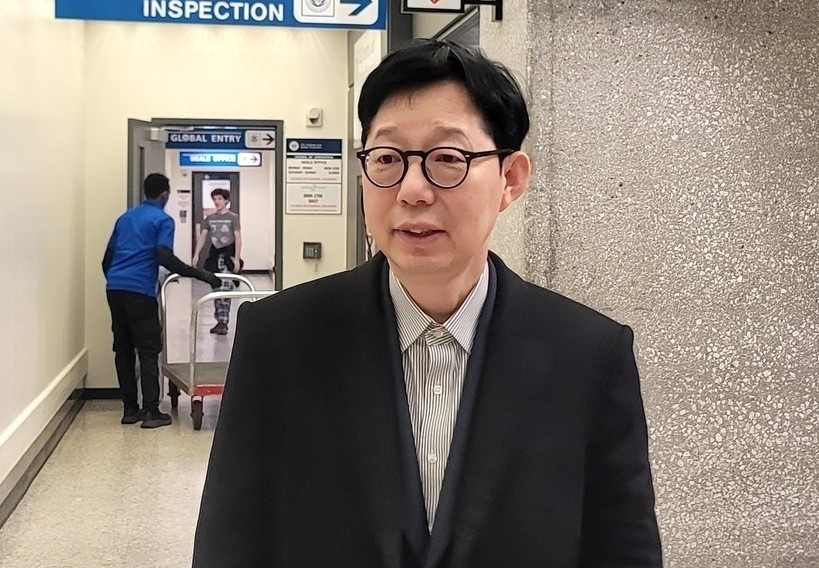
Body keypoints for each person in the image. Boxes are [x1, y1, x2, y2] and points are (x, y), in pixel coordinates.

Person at [193, 39, 662, 567]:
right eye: (387, 159)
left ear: (510, 179)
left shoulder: (588, 356)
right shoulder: (280, 339)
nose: (412, 190)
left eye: (447, 159)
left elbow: (623, 549)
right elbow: (229, 542)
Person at [103, 173, 221, 428]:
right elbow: (164, 256)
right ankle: (151, 411)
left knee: (123, 349)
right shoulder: (162, 220)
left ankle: (130, 410)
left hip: (115, 288)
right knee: (148, 349)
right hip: (140, 291)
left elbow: (107, 258)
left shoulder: (125, 218)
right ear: (165, 195)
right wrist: (201, 274)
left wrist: (117, 280)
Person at [192, 188, 242, 335]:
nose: (217, 201)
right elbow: (203, 237)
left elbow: (238, 237)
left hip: (227, 257)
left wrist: (237, 258)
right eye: (215, 199)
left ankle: (223, 322)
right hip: (214, 258)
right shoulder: (210, 218)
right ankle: (219, 320)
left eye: (219, 199)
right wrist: (196, 255)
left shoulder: (233, 217)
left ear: (226, 200)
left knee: (225, 290)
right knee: (216, 289)